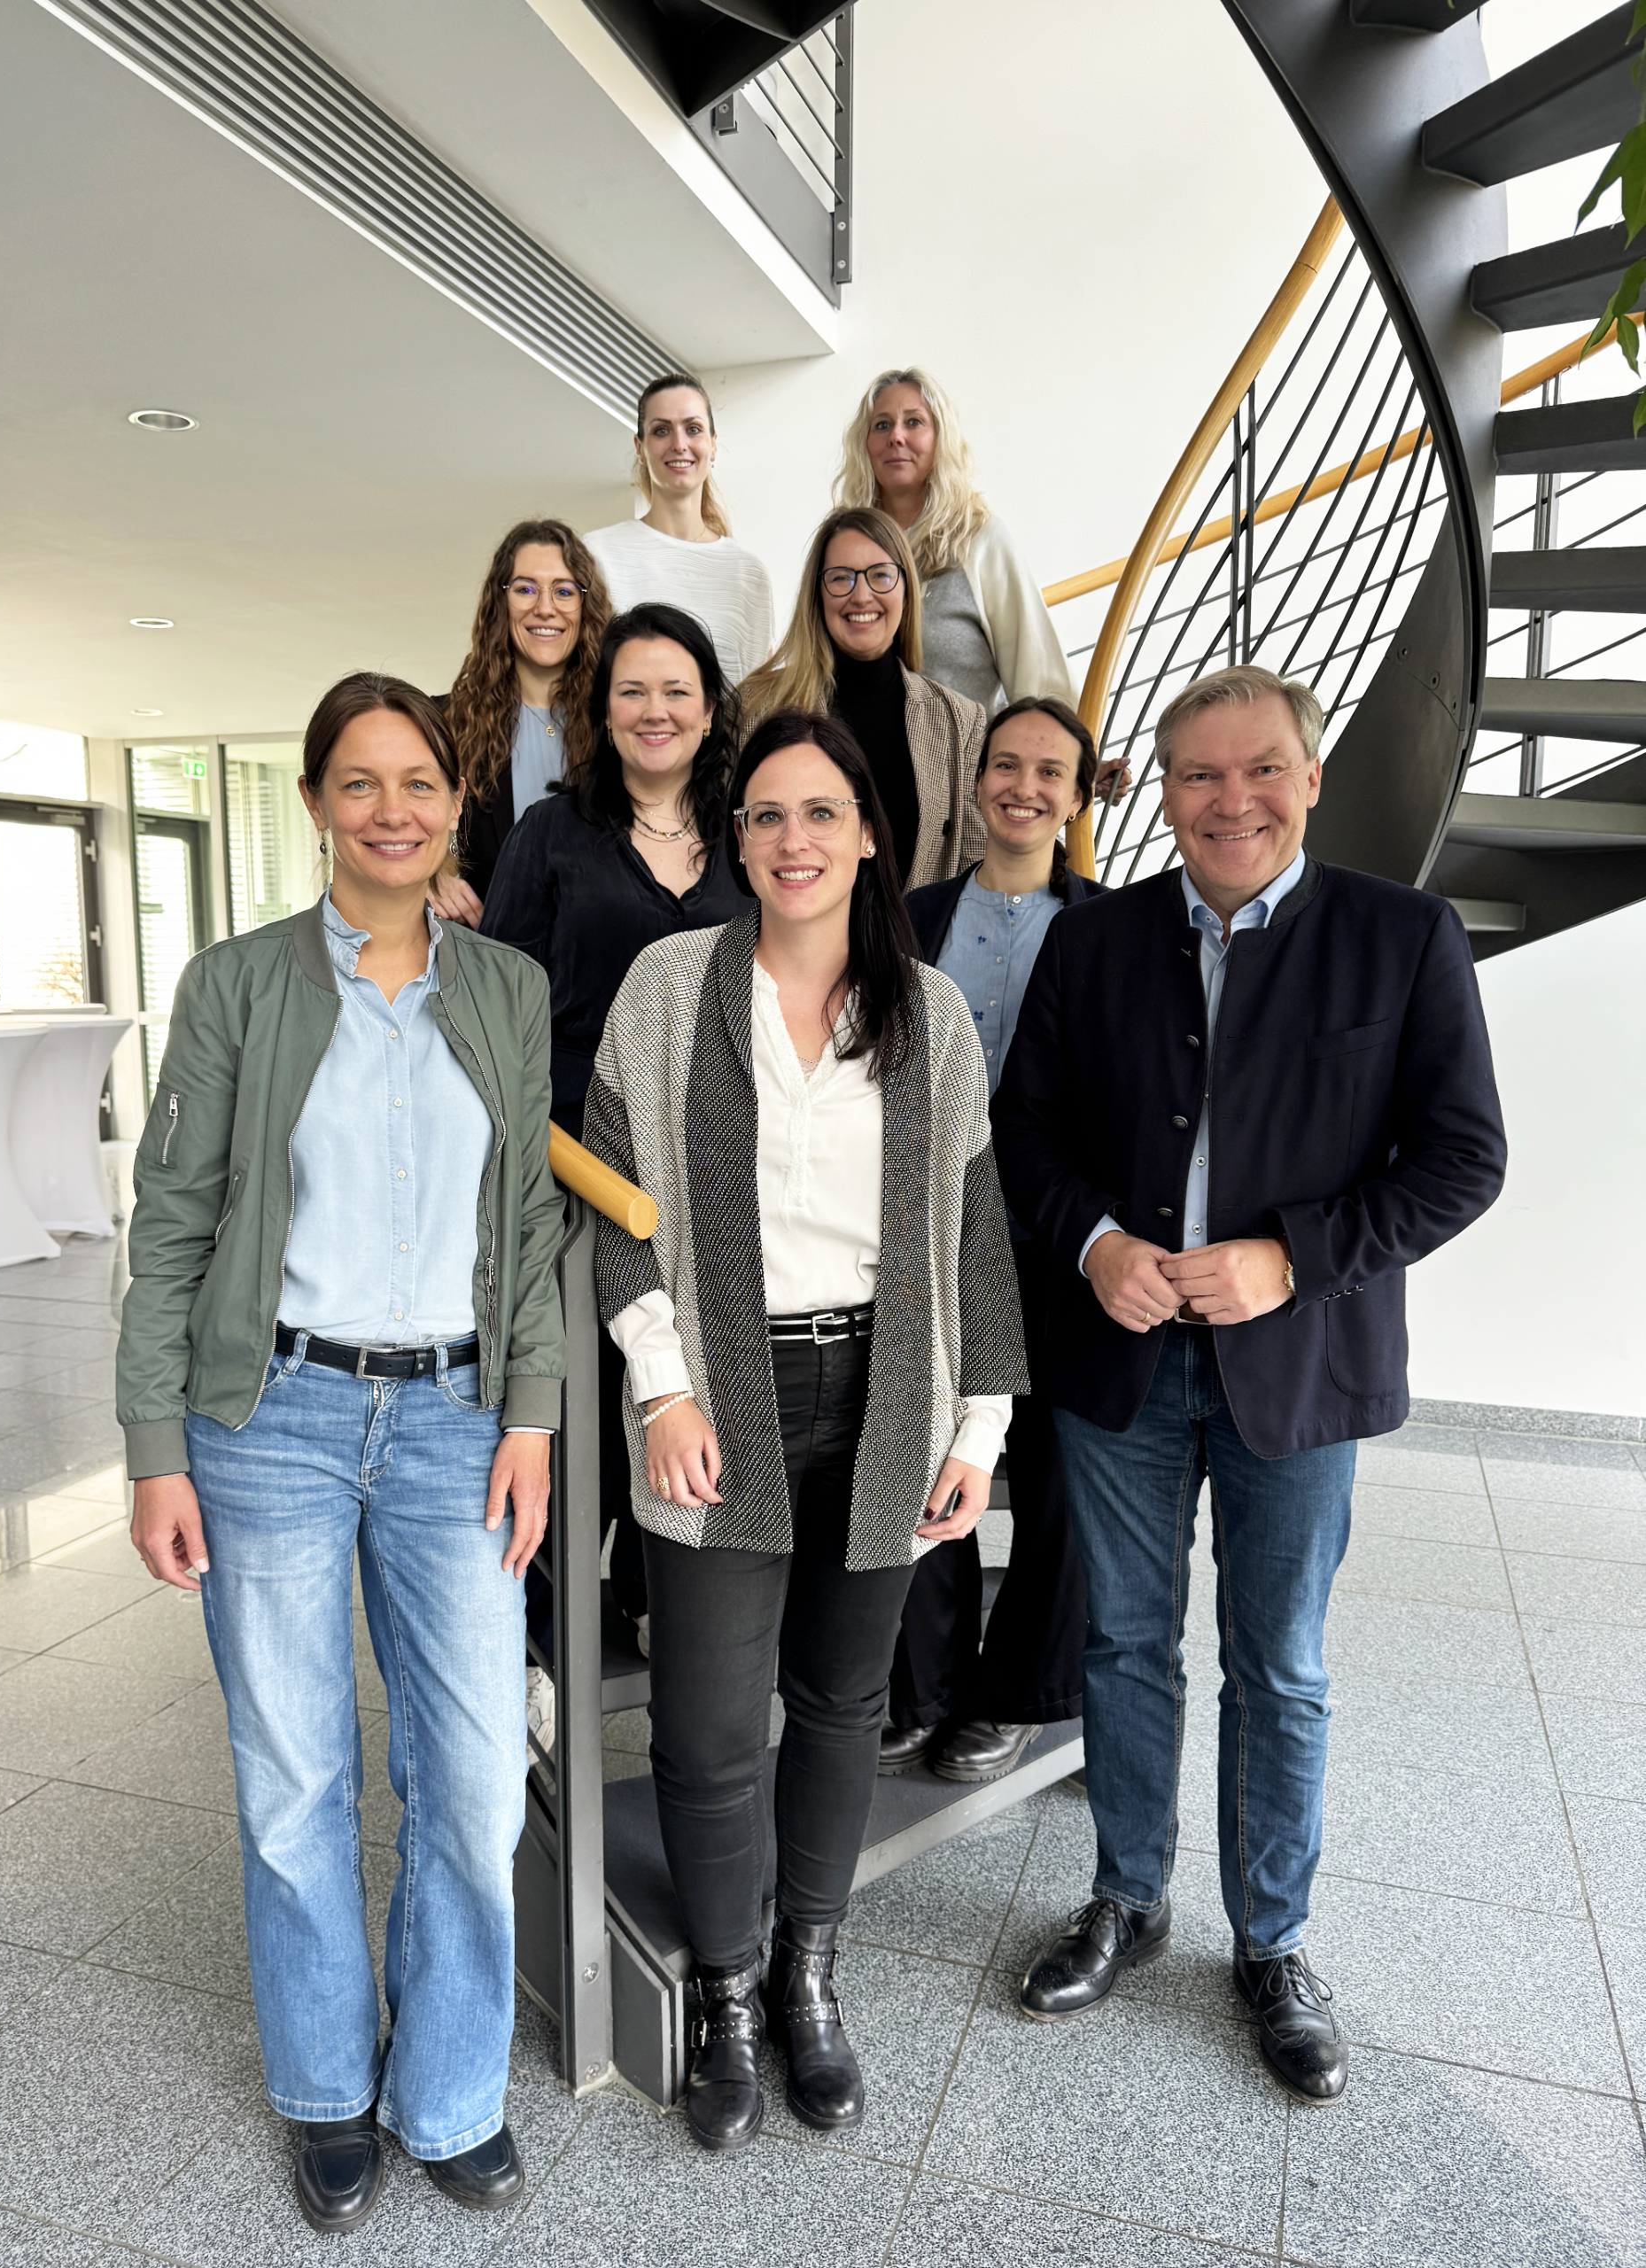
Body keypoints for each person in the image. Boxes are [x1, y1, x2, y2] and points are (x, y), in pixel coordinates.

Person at [991, 663, 1506, 2106]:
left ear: (1310, 776)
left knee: (1277, 1663)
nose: (1232, 800)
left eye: (1260, 768)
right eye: (1199, 775)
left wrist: (1292, 1258)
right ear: (1160, 794)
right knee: (1121, 1645)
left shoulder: (1402, 937)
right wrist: (1094, 1244)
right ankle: (1128, 1896)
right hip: (1120, 1359)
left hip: (1301, 1369)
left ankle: (1270, 1942)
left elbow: (1461, 1159)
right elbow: (1022, 1131)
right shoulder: (1092, 942)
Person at [119, 673, 565, 2230]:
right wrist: (154, 1446)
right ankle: (324, 2089)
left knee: (472, 1781)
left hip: (455, 1420)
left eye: (418, 783)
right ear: (315, 802)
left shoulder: (505, 989)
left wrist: (531, 1412)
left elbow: (528, 1221)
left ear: (454, 804)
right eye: (359, 782)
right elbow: (171, 1224)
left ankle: (447, 2090)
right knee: (292, 1778)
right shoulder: (235, 985)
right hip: (273, 1423)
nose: (391, 810)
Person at [585, 709, 1027, 2154]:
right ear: (736, 838)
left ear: (867, 837)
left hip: (886, 1391)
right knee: (710, 1730)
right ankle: (722, 1993)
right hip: (718, 1395)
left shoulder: (928, 1013)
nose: (793, 839)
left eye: (821, 812)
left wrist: (977, 1428)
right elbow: (609, 1198)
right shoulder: (667, 989)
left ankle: (806, 1976)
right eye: (767, 814)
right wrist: (660, 1386)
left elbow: (973, 1229)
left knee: (840, 1706)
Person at [480, 601, 747, 1642]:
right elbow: (498, 1000)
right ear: (600, 709)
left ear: (710, 707)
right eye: (632, 690)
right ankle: (544, 1647)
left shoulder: (748, 831)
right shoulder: (552, 833)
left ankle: (665, 1612)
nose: (655, 709)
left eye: (677, 689)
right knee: (575, 1409)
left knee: (691, 1391)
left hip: (715, 1170)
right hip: (573, 1170)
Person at [881, 695, 1100, 1785]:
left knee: (1063, 1477)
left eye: (1049, 771)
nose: (1023, 786)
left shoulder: (1112, 927)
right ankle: (921, 1688)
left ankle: (1021, 1693)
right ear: (976, 783)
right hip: (933, 1232)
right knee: (924, 1451)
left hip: (1063, 1246)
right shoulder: (911, 915)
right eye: (1005, 765)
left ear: (1079, 795)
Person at [741, 506, 987, 890]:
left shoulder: (960, 720)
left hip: (921, 931)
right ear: (817, 594)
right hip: (786, 927)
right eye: (841, 578)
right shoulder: (756, 708)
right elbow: (730, 855)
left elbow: (981, 868)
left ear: (906, 588)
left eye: (881, 576)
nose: (861, 595)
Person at [835, 366, 1073, 715]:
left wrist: (1065, 747)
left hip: (969, 750)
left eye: (914, 422)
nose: (896, 436)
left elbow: (1039, 678)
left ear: (940, 438)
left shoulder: (980, 539)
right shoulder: (843, 546)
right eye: (882, 425)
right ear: (864, 444)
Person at [431, 518, 611, 926]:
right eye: (525, 589)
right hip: (489, 953)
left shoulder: (619, 726)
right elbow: (396, 822)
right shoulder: (446, 723)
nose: (544, 607)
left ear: (586, 607)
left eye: (564, 591)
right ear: (501, 602)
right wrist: (428, 875)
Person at [586, 373, 774, 689]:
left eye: (693, 429)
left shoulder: (748, 574)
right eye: (661, 430)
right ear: (640, 448)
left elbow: (759, 700)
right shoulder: (598, 554)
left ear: (713, 445)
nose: (679, 444)